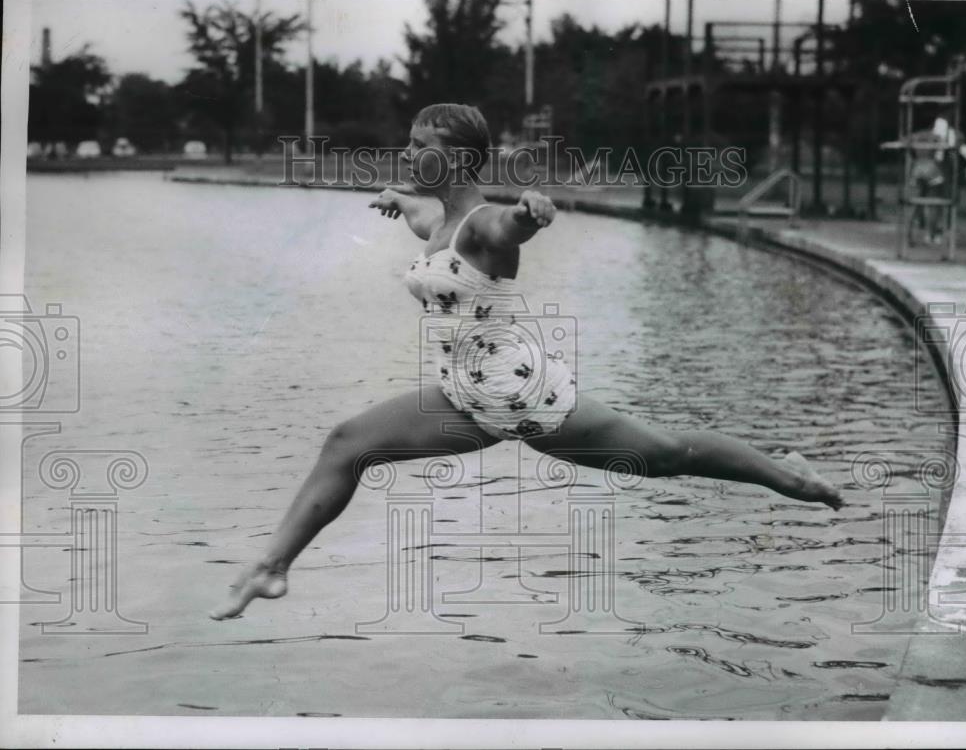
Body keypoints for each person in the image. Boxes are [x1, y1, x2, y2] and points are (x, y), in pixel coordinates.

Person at [210, 103, 844, 621]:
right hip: (465, 402)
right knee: (347, 443)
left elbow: (512, 224)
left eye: (417, 144)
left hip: (527, 400)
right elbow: (419, 211)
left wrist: (531, 211)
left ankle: (790, 477)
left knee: (668, 456)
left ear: (456, 159)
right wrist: (394, 196)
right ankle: (272, 568)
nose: (405, 154)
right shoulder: (438, 218)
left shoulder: (486, 225)